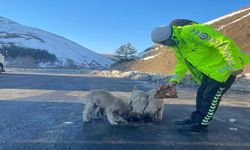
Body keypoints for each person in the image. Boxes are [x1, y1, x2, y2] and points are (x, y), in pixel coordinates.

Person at [151, 19, 250, 133]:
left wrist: (233, 65)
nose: (164, 46)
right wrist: (174, 80)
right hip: (209, 72)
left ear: (169, 36)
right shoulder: (177, 45)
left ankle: (201, 124)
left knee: (210, 98)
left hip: (224, 71)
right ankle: (195, 120)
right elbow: (182, 64)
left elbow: (222, 43)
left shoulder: (191, 31)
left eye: (164, 43)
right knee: (201, 95)